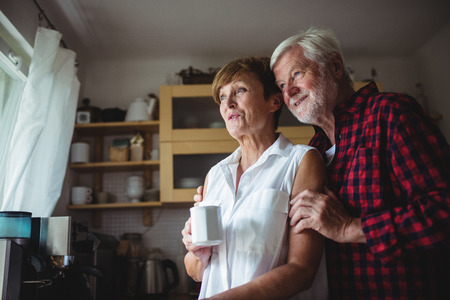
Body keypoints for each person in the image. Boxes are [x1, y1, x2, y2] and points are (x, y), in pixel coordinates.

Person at [268, 27, 450, 299]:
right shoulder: (311, 152)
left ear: (336, 67)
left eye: (297, 74)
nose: (289, 91)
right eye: (282, 85)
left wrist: (350, 227)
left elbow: (442, 210)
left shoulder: (391, 113)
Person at [181, 56, 328, 300]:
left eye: (239, 90)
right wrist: (196, 249)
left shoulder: (301, 161)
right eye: (222, 96)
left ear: (273, 101)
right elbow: (196, 272)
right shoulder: (215, 175)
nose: (228, 103)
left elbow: (303, 271)